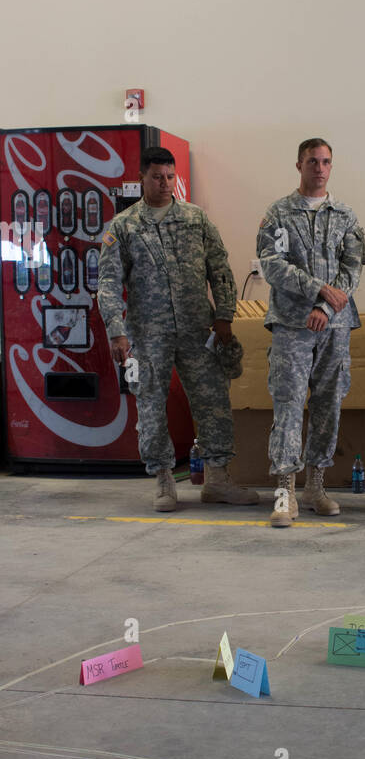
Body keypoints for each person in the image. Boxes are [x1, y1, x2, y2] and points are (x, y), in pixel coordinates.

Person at [97, 147, 259, 510]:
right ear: (142, 178)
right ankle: (163, 481)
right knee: (151, 404)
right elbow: (107, 282)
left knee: (213, 401)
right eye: (157, 177)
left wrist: (225, 316)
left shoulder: (195, 219)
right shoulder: (124, 227)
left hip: (197, 328)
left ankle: (217, 479)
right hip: (147, 333)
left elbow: (219, 268)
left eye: (170, 177)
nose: (165, 183)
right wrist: (116, 330)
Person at [256, 138, 365, 528]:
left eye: (325, 162)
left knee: (328, 404)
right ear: (299, 165)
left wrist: (326, 305)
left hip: (334, 325)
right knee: (287, 405)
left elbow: (353, 267)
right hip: (292, 325)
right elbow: (271, 265)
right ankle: (285, 492)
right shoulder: (279, 214)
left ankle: (316, 487)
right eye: (312, 162)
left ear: (331, 166)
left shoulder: (345, 215)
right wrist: (315, 290)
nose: (319, 168)